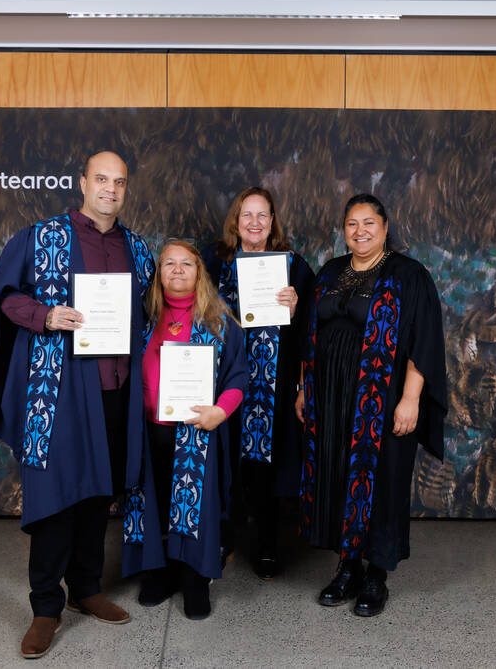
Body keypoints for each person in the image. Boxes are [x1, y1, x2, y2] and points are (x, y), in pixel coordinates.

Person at [0, 151, 155, 658]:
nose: (110, 190)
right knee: (58, 496)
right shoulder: (43, 237)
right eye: (101, 179)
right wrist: (46, 315)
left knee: (99, 493)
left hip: (115, 388)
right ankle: (45, 608)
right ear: (83, 183)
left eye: (119, 182)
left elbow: (154, 310)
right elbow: (5, 297)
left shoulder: (138, 249)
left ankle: (86, 588)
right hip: (56, 391)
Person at [294, 193, 447, 617]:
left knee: (382, 485)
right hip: (331, 400)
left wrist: (410, 399)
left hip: (381, 403)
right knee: (340, 476)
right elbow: (310, 335)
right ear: (343, 230)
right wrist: (305, 390)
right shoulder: (330, 272)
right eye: (351, 224)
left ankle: (376, 575)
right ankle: (347, 567)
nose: (359, 231)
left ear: (384, 227)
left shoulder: (407, 276)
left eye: (368, 224)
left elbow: (425, 341)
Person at [121, 240, 247, 620]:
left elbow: (239, 377)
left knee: (194, 511)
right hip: (148, 432)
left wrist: (220, 412)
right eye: (169, 264)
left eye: (186, 264)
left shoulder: (219, 321)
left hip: (196, 434)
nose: (177, 270)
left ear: (199, 271)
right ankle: (158, 576)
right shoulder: (141, 319)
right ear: (158, 272)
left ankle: (194, 580)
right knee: (153, 506)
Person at [202, 186, 314, 579]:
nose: (254, 222)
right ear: (236, 220)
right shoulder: (214, 263)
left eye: (262, 215)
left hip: (274, 384)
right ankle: (222, 540)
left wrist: (297, 307)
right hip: (222, 380)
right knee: (224, 462)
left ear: (272, 222)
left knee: (267, 467)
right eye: (246, 215)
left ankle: (267, 543)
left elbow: (311, 331)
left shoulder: (294, 266)